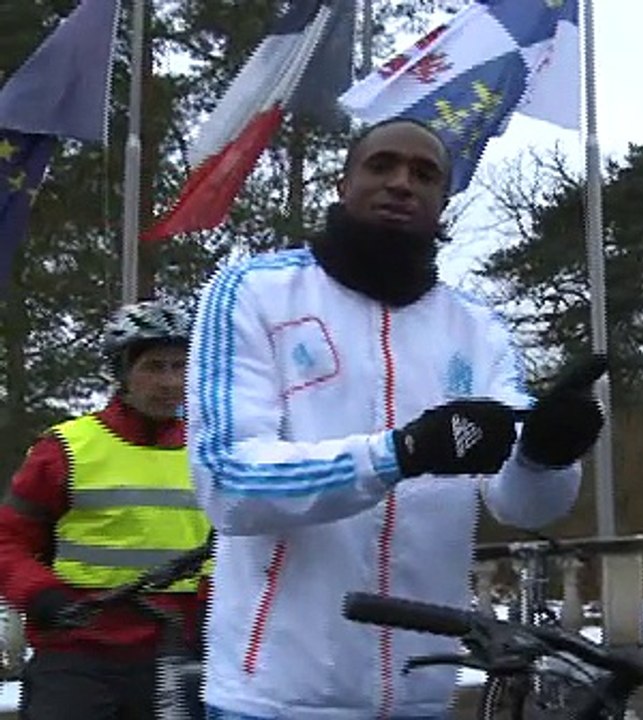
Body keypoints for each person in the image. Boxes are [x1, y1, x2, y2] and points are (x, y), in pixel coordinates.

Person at [187, 117, 603, 719]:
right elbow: (228, 483)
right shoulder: (253, 292)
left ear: (443, 202)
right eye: (381, 165)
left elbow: (521, 506)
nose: (402, 183)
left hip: (421, 694)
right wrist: (397, 454)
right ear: (342, 184)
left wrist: (546, 459)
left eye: (425, 174)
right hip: (275, 698)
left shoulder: (477, 328)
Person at [0, 299, 212, 719]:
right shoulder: (65, 449)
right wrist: (41, 594)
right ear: (121, 373)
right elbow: (8, 539)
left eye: (180, 366)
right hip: (79, 649)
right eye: (154, 367)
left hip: (177, 651)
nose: (170, 382)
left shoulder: (210, 450)